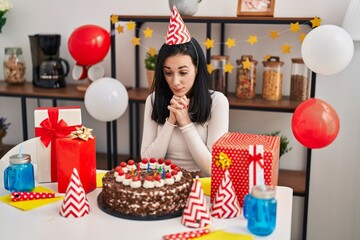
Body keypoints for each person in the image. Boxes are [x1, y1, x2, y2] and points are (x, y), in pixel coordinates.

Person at [140, 6, 229, 177]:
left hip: (200, 186)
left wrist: (186, 123)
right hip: (163, 183)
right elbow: (146, 165)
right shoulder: (153, 100)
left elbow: (213, 169)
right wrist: (171, 121)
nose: (175, 81)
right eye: (168, 72)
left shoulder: (217, 102)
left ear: (197, 69)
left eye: (183, 72)